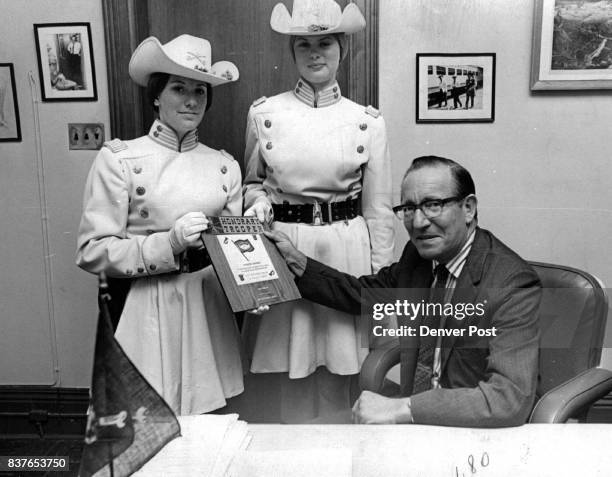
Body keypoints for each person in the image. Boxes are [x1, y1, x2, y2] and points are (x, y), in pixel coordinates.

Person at [267, 156, 541, 427]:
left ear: (468, 208)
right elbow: (361, 294)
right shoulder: (418, 257)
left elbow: (508, 400)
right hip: (412, 424)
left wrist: (402, 407)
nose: (419, 222)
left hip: (470, 434)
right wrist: (298, 264)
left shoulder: (512, 283)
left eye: (433, 205)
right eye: (409, 208)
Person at [242, 0, 394, 422]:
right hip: (287, 248)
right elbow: (253, 185)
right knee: (292, 372)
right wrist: (256, 207)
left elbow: (379, 210)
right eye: (303, 44)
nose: (315, 53)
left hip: (346, 248)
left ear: (342, 47)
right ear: (291, 52)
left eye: (325, 43)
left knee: (337, 372)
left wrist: (378, 290)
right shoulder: (264, 114)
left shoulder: (366, 120)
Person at [76, 34, 243, 415]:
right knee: (149, 418)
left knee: (210, 419)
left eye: (200, 91)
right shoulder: (121, 159)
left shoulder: (223, 165)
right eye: (179, 88)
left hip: (207, 302)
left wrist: (254, 290)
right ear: (156, 95)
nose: (191, 100)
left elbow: (235, 248)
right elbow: (91, 250)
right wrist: (166, 244)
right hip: (148, 305)